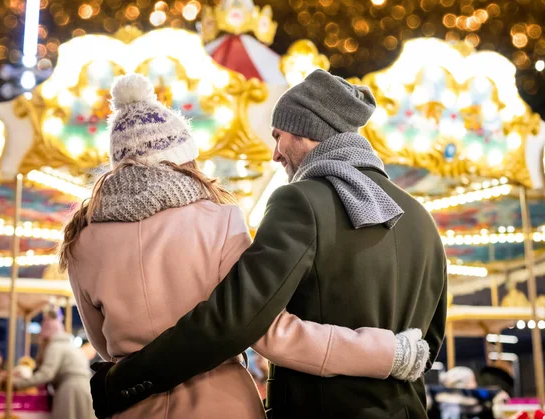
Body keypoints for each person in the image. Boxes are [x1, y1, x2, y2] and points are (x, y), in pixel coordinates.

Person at [62, 73, 432, 419]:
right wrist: (388, 353)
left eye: (277, 136)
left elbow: (105, 345)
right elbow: (266, 330)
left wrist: (123, 381)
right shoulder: (220, 219)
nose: (274, 153)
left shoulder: (81, 240)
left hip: (135, 407)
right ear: (182, 157)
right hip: (222, 403)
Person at [13, 308, 95, 419]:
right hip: (86, 389)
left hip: (70, 391)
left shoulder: (55, 346)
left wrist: (18, 384)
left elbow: (47, 373)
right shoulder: (71, 346)